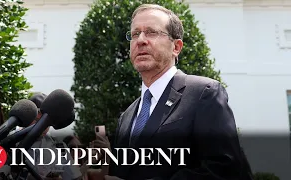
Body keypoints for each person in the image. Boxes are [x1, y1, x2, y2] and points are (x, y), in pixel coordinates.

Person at [103, 4, 253, 180]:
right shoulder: (127, 116)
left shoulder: (204, 93)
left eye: (151, 32)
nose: (140, 40)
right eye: (135, 34)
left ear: (176, 47)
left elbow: (225, 169)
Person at [22, 93, 82, 180]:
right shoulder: (9, 142)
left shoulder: (59, 148)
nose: (42, 126)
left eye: (47, 121)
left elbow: (75, 177)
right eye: (37, 120)